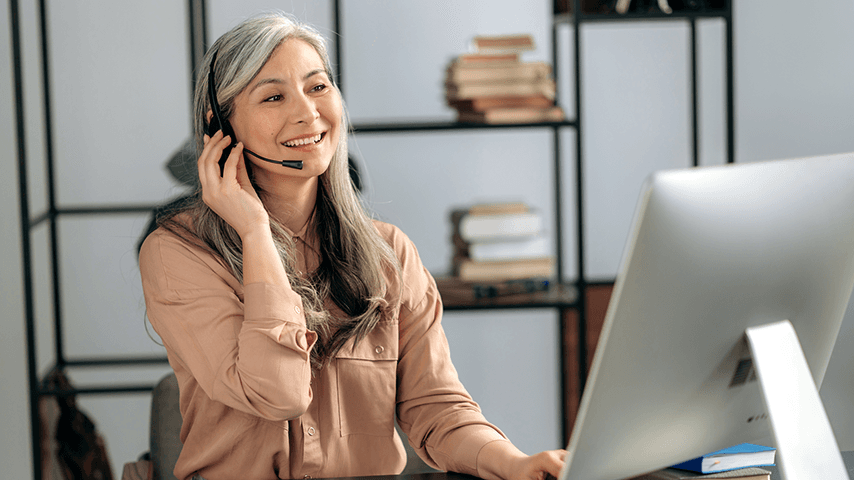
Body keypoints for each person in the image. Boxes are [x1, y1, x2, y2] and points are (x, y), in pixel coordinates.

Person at [139, 11, 566, 480]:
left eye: (318, 86)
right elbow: (278, 393)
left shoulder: (390, 253)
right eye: (274, 96)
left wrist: (517, 464)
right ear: (219, 125)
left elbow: (436, 407)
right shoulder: (177, 254)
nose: (307, 112)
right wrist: (255, 231)